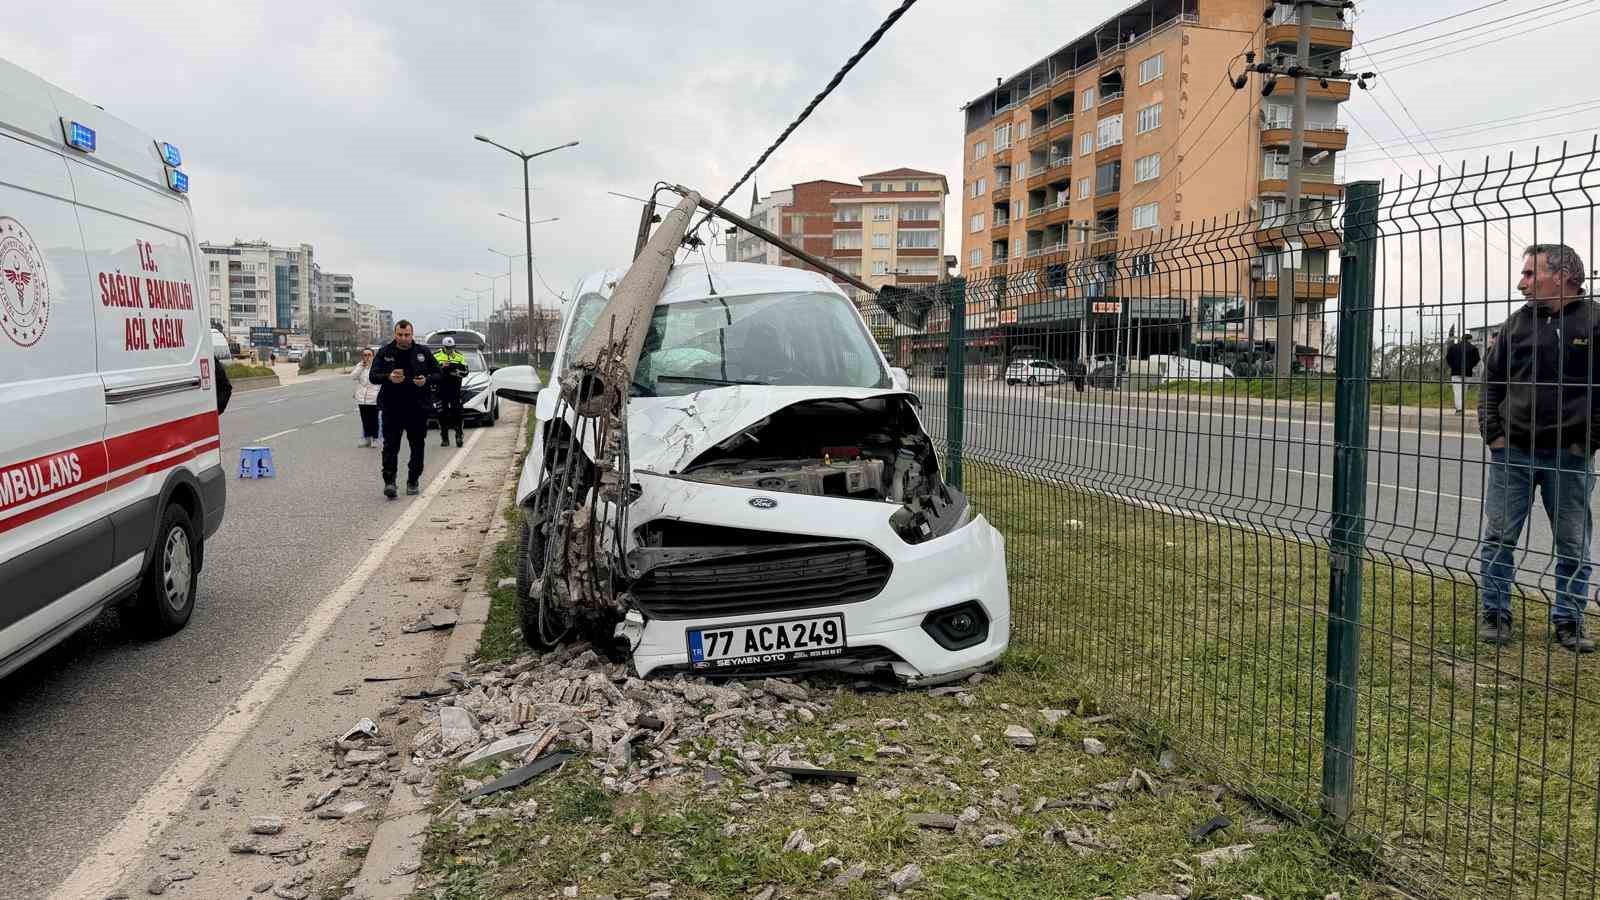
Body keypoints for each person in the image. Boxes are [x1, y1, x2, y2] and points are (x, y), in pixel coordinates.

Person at [1477, 243, 1599, 653]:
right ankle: (1496, 613)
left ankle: (1569, 620)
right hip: (1513, 452)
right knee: (1498, 538)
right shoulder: (1516, 325)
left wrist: (1588, 441)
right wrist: (1493, 434)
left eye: (1531, 274)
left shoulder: (1594, 322)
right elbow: (1491, 383)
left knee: (1573, 544)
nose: (1522, 283)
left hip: (1570, 455)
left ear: (1562, 277)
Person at [370, 320, 440, 499]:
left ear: (412, 334)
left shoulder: (423, 352)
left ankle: (413, 480)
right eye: (400, 335)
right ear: (395, 334)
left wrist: (426, 381)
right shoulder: (385, 352)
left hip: (417, 408)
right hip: (392, 408)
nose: (403, 338)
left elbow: (439, 373)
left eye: (406, 335)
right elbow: (373, 376)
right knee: (390, 447)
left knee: (417, 446)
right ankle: (390, 482)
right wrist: (389, 377)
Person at [432, 336, 469, 448]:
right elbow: (431, 370)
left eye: (452, 347)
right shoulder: (436, 355)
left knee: (457, 413)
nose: (450, 350)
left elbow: (466, 371)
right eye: (447, 348)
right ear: (443, 347)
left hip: (454, 389)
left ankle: (459, 435)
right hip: (441, 389)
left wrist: (456, 370)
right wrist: (442, 367)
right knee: (441, 414)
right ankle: (445, 437)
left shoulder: (459, 356)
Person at [1445, 333, 1480, 414]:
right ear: (1470, 339)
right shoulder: (1473, 348)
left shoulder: (1453, 347)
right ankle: (1461, 408)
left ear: (1462, 339)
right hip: (1467, 372)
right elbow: (1477, 359)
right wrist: (1471, 366)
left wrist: (1453, 366)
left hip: (1455, 372)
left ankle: (1459, 409)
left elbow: (1448, 358)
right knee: (1464, 391)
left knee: (1457, 391)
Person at [351, 347, 380, 447]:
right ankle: (367, 439)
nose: (367, 357)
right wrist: (361, 367)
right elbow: (353, 377)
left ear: (373, 356)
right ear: (362, 356)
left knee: (374, 419)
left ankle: (375, 439)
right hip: (362, 397)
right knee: (365, 420)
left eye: (369, 355)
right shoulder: (360, 365)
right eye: (365, 355)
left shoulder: (377, 366)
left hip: (374, 397)